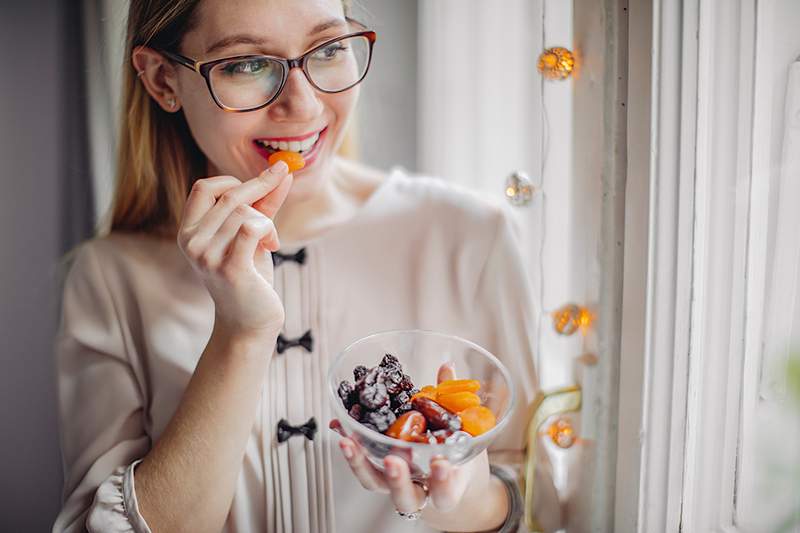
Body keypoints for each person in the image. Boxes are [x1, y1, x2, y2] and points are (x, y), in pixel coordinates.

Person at [51, 1, 561, 532]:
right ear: (162, 81)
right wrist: (241, 335)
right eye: (246, 64)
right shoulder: (108, 280)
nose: (304, 103)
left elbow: (540, 505)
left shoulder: (471, 236)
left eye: (330, 48)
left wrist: (464, 499)